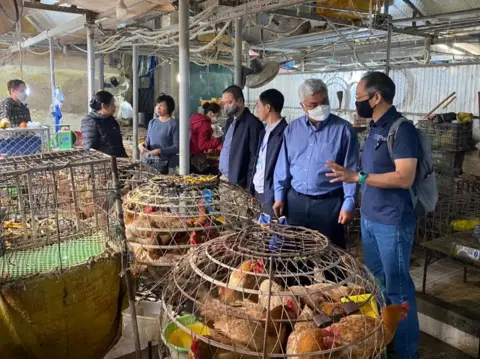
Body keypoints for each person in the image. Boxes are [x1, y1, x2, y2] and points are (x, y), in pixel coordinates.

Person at [325, 71, 419, 359]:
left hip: (392, 222)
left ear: (377, 97)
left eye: (360, 99)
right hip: (371, 219)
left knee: (398, 290)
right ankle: (383, 342)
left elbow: (405, 178)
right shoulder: (374, 128)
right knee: (377, 286)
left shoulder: (402, 130)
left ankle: (405, 353)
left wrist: (358, 177)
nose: (357, 104)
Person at [273, 79, 359, 249]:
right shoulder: (292, 129)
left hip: (329, 204)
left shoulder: (344, 130)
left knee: (332, 260)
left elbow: (351, 168)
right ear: (302, 105)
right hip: (296, 202)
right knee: (295, 258)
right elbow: (283, 165)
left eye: (324, 102)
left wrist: (349, 203)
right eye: (313, 104)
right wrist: (279, 196)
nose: (321, 107)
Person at [249, 89, 288, 217]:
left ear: (268, 108)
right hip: (258, 188)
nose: (257, 110)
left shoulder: (284, 133)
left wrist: (277, 195)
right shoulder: (265, 131)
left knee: (269, 231)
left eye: (258, 106)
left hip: (270, 193)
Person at [219, 85, 263, 188]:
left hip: (240, 184)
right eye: (224, 103)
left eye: (229, 102)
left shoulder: (253, 124)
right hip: (224, 178)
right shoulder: (229, 122)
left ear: (240, 101)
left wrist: (248, 185)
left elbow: (254, 158)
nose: (226, 106)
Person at [139, 94, 179, 174]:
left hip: (167, 165)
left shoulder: (174, 124)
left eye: (161, 106)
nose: (158, 108)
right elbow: (148, 141)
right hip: (150, 162)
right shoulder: (152, 122)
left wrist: (159, 151)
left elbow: (177, 147)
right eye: (157, 105)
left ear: (169, 107)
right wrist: (141, 145)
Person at [81, 91, 128, 157]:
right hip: (103, 164)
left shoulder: (112, 121)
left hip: (117, 162)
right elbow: (90, 150)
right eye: (112, 104)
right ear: (104, 106)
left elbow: (118, 146)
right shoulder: (90, 122)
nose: (115, 107)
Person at [189, 102, 222, 174]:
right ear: (210, 114)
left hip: (189, 156)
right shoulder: (205, 124)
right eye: (217, 116)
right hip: (195, 159)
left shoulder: (195, 118)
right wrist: (217, 141)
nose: (218, 119)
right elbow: (202, 145)